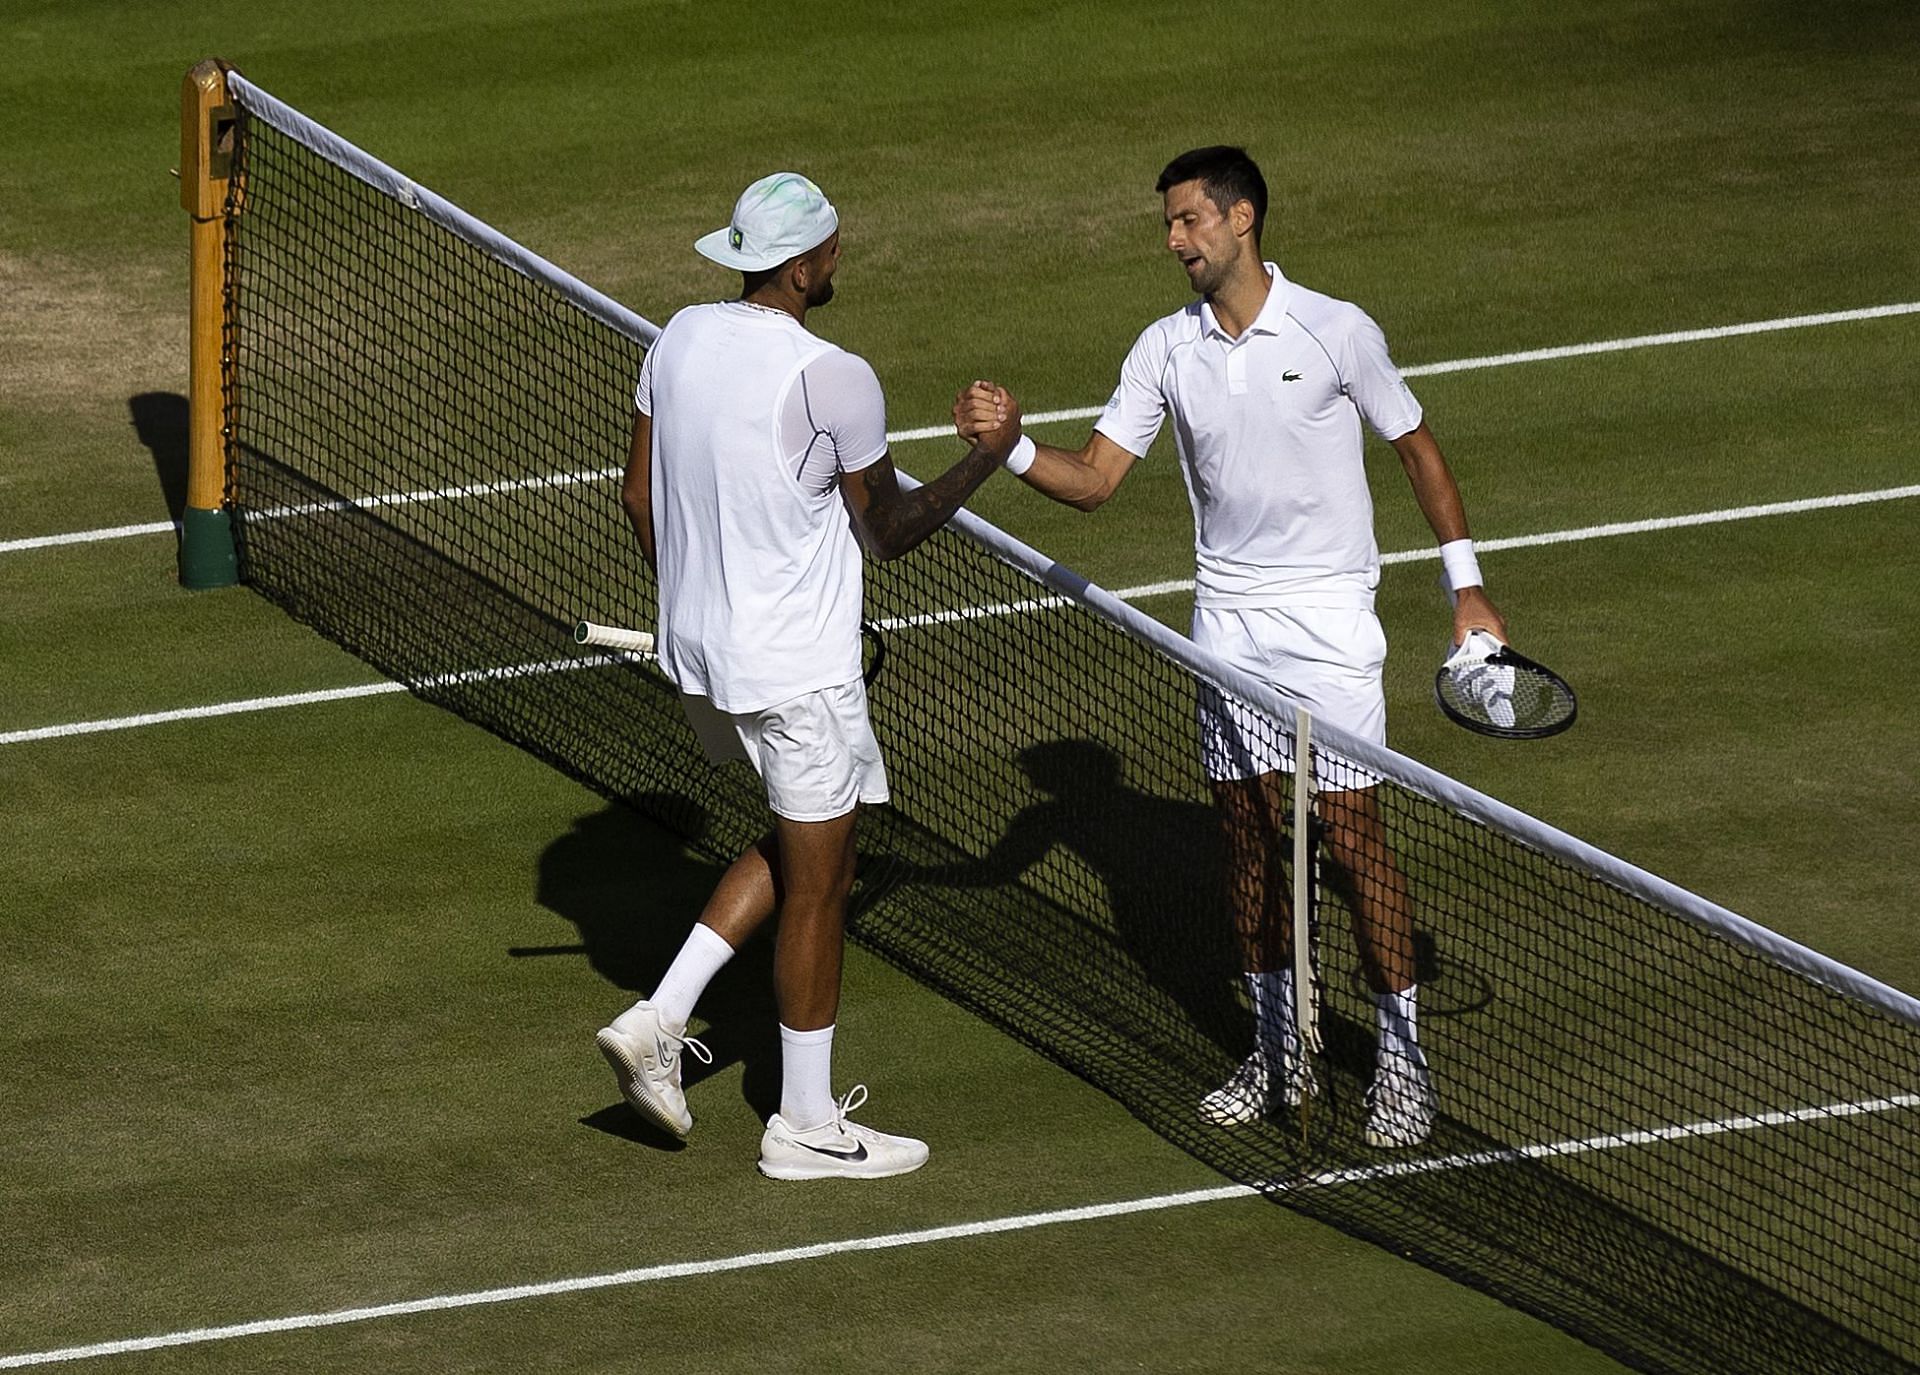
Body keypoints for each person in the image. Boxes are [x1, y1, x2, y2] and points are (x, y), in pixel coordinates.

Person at [953, 146, 1506, 1149]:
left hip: (1331, 626)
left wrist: (1465, 586)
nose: (1172, 242)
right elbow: (1096, 480)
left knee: (1352, 837)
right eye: (1168, 225)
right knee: (1248, 839)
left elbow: (1416, 448)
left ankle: (1402, 1064)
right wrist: (1013, 450)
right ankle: (1277, 1047)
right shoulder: (1164, 347)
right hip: (1229, 631)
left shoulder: (1338, 330)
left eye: (1187, 222)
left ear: (1240, 219)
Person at [600, 171, 1023, 1180]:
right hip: (793, 673)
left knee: (802, 841)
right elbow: (887, 530)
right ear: (800, 265)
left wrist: (691, 611)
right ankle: (803, 1124)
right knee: (825, 884)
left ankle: (660, 1016)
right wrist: (990, 458)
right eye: (832, 247)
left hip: (700, 659)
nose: (840, 258)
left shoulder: (679, 339)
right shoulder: (834, 375)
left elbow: (636, 497)